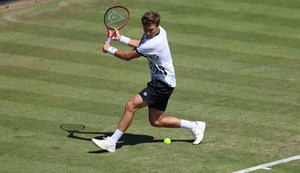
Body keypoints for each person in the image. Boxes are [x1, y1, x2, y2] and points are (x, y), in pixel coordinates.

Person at [92, 11, 206, 152]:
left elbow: (128, 56)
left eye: (151, 30)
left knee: (131, 105)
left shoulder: (155, 42)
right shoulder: (158, 33)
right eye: (145, 30)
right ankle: (195, 126)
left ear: (157, 26)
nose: (148, 33)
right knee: (156, 121)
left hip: (161, 84)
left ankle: (112, 142)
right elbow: (141, 43)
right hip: (165, 82)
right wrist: (121, 38)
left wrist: (110, 49)